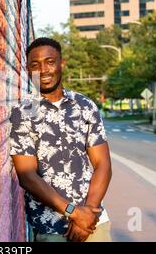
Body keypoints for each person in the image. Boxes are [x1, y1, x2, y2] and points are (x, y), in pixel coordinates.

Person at [10, 37, 112, 242]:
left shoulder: (85, 106)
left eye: (50, 61)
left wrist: (88, 213)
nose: (44, 70)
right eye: (35, 64)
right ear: (28, 70)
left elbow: (103, 164)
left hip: (93, 224)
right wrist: (75, 213)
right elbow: (27, 175)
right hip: (51, 227)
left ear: (61, 64)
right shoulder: (22, 113)